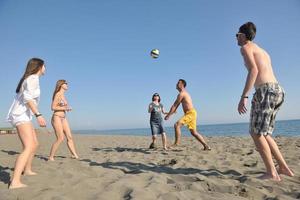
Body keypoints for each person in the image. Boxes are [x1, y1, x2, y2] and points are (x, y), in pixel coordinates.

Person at [236, 22, 294, 181]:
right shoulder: (263, 51)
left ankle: (272, 173)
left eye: (237, 35)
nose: (236, 38)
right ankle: (283, 167)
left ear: (244, 35)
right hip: (278, 90)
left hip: (265, 90)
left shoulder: (246, 48)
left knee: (255, 132)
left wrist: (244, 96)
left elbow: (254, 70)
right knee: (265, 133)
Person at [7, 58, 47, 189]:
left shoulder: (31, 78)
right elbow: (28, 98)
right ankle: (15, 182)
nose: (45, 68)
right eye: (44, 66)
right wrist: (38, 115)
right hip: (21, 115)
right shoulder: (33, 78)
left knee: (35, 144)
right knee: (28, 146)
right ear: (39, 67)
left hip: (24, 115)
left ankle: (27, 169)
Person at [164, 79, 211, 150]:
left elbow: (174, 105)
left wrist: (169, 115)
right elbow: (176, 106)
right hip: (192, 113)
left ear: (182, 84)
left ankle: (176, 143)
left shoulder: (182, 94)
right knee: (194, 132)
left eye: (178, 83)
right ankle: (206, 146)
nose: (176, 84)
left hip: (190, 113)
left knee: (177, 125)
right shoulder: (184, 93)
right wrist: (171, 113)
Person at [48, 80, 79, 161]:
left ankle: (74, 154)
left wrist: (67, 108)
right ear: (61, 85)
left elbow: (62, 107)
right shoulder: (58, 94)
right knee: (60, 138)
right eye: (66, 83)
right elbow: (53, 107)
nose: (67, 85)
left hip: (63, 118)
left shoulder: (63, 95)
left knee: (69, 137)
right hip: (57, 117)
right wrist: (65, 108)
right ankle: (51, 156)